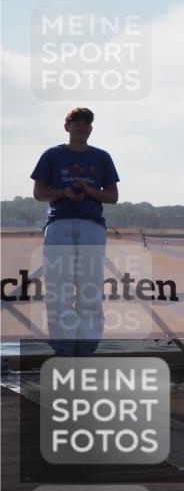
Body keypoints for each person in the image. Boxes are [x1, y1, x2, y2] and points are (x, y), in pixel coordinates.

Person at [31, 107, 120, 357]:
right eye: (77, 123)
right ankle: (64, 347)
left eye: (86, 124)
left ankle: (86, 348)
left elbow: (112, 196)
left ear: (91, 128)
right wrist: (64, 193)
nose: (82, 127)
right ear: (67, 126)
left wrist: (90, 192)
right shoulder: (52, 155)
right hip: (59, 224)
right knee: (58, 290)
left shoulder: (102, 157)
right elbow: (39, 192)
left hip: (92, 225)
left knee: (90, 289)